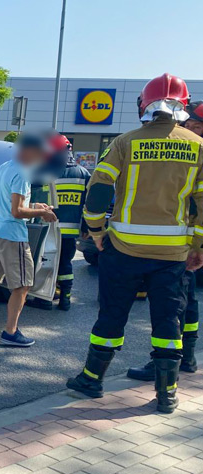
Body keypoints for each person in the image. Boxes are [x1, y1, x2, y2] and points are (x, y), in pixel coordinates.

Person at [66, 73, 203, 414]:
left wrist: (96, 231)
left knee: (112, 315)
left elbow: (98, 190)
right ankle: (166, 393)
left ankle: (91, 379)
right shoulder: (199, 146)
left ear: (144, 104)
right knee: (168, 322)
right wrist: (198, 246)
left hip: (124, 249)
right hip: (173, 255)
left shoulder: (126, 141)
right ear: (182, 106)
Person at [127, 100, 203, 381]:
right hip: (188, 237)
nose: (187, 129)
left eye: (193, 126)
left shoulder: (193, 148)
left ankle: (166, 364)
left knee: (172, 305)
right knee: (186, 300)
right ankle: (187, 357)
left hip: (183, 237)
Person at [0, 131, 58, 347]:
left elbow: (9, 204)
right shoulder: (21, 173)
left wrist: (35, 206)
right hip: (11, 236)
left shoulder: (4, 168)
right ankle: (11, 332)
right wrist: (42, 213)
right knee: (22, 286)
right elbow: (17, 211)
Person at [27, 135, 91, 311]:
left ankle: (44, 299)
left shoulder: (43, 172)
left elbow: (30, 195)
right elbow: (88, 203)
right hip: (70, 231)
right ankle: (65, 299)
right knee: (65, 263)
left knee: (45, 262)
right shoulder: (83, 173)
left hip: (48, 229)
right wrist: (87, 227)